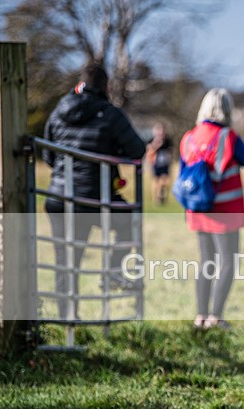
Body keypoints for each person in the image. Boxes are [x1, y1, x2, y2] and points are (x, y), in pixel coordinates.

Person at [43, 63, 147, 320]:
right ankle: (113, 270)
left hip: (58, 196)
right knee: (129, 220)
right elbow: (137, 149)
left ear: (80, 84)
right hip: (93, 197)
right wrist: (113, 151)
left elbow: (47, 154)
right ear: (106, 86)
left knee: (65, 259)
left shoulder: (59, 110)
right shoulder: (110, 114)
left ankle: (68, 318)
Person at [179, 88, 244, 330]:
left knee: (206, 262)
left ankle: (200, 316)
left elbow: (183, 172)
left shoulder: (188, 137)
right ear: (227, 110)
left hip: (198, 209)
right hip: (225, 211)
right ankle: (216, 317)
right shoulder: (227, 136)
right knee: (228, 262)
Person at [146, 122, 174, 205]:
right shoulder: (152, 140)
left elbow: (171, 151)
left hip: (165, 163)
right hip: (156, 163)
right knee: (156, 181)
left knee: (165, 180)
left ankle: (162, 196)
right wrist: (156, 144)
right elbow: (149, 150)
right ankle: (156, 199)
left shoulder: (167, 140)